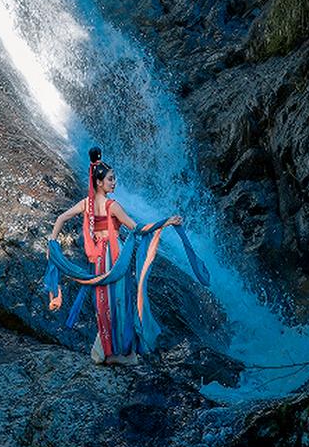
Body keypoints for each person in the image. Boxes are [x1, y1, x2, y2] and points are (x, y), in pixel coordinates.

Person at [45, 147, 207, 366]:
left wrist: (52, 243)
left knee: (103, 303)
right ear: (100, 182)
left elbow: (61, 218)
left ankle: (104, 351)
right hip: (114, 257)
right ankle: (122, 353)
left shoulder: (86, 204)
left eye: (115, 179)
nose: (114, 183)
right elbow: (137, 228)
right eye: (111, 179)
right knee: (120, 301)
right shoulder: (113, 206)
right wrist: (165, 222)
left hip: (98, 259)